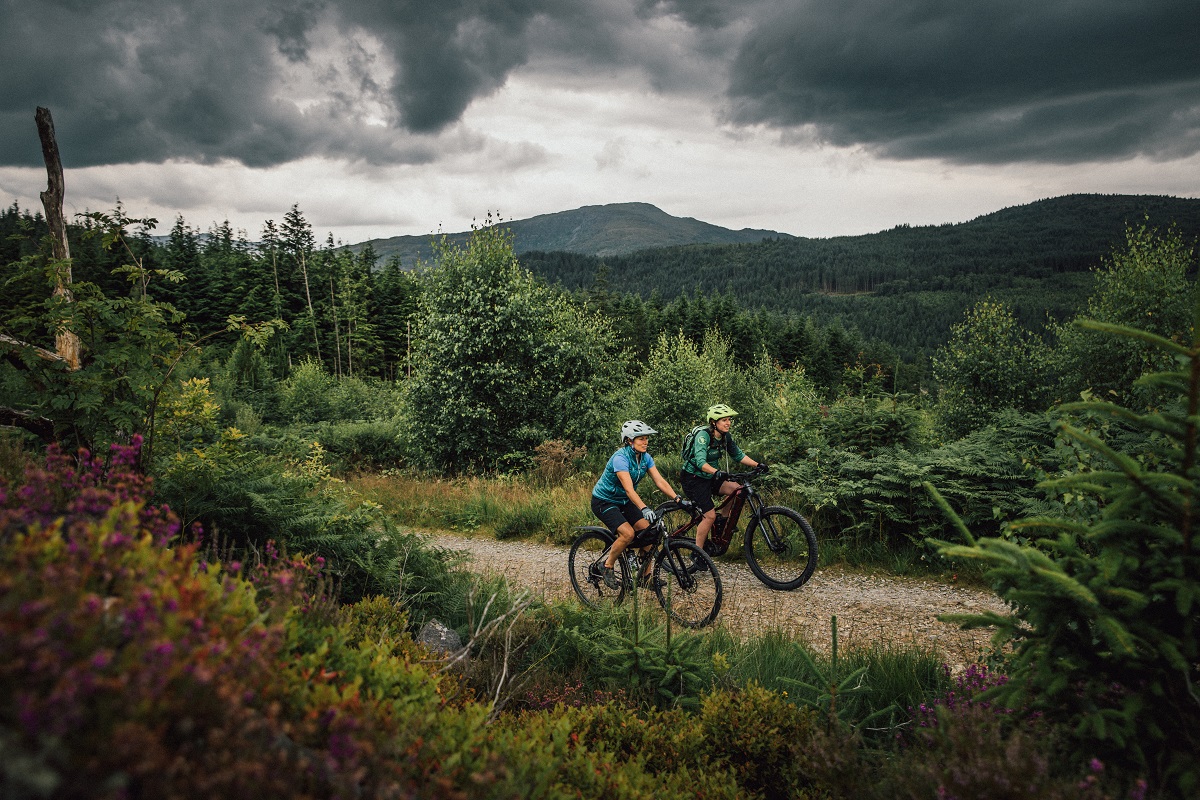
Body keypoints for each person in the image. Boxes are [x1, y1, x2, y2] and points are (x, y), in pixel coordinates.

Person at [591, 420, 693, 589]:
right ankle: (606, 565)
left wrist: (678, 499)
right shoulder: (620, 458)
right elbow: (630, 490)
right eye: (641, 439)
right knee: (627, 534)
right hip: (604, 501)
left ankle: (645, 578)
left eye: (646, 438)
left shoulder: (645, 458)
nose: (645, 442)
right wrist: (644, 508)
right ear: (630, 441)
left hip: (624, 501)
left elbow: (659, 481)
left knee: (650, 533)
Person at [680, 404, 766, 570]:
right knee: (709, 516)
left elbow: (738, 455)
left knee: (737, 489)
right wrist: (717, 472)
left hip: (711, 476)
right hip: (694, 478)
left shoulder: (725, 437)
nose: (728, 423)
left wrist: (758, 465)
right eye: (724, 420)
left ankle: (722, 521)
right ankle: (698, 553)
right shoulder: (703, 437)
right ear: (713, 422)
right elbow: (700, 462)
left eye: (729, 420)